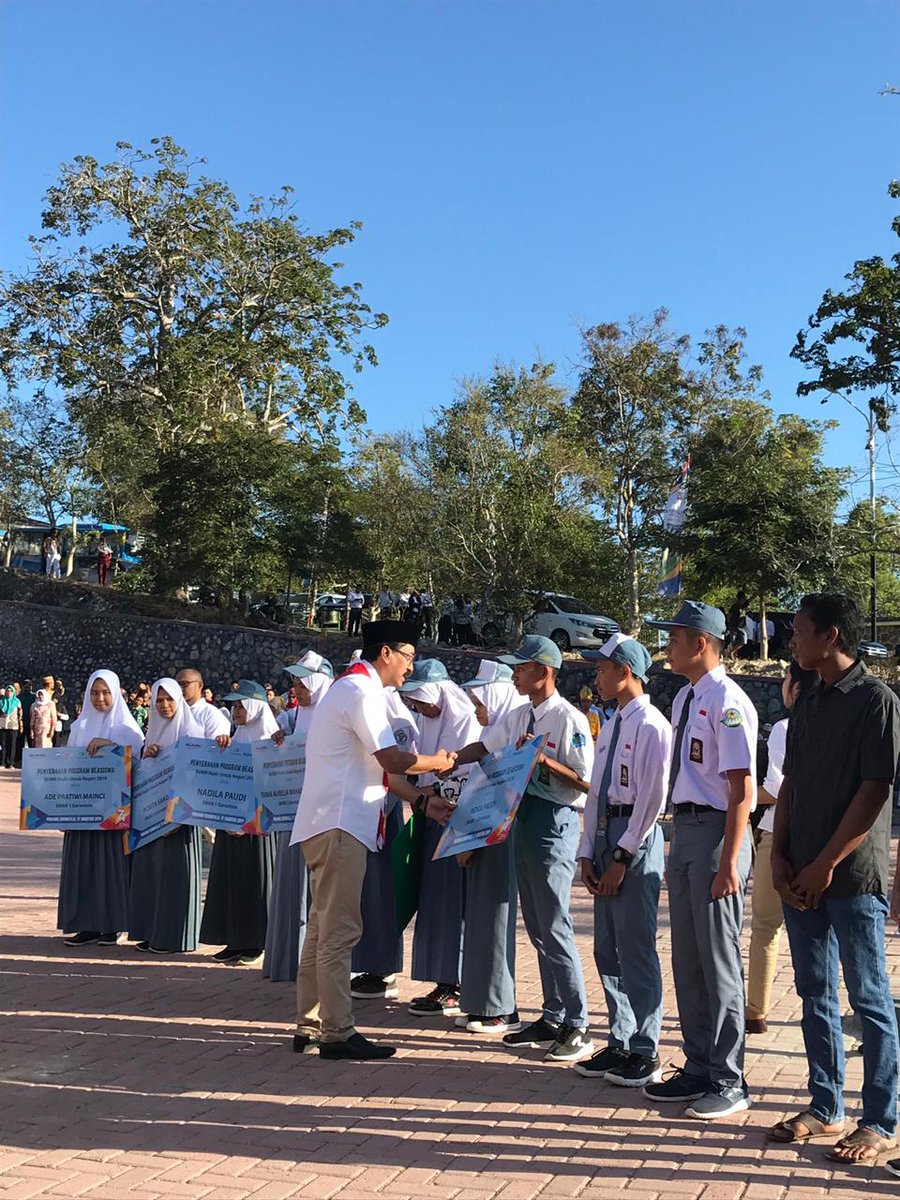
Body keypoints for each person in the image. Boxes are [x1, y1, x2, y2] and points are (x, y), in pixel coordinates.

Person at [768, 594, 900, 1165]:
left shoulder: (876, 701)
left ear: (832, 637)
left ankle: (881, 1121)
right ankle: (826, 1106)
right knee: (814, 991)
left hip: (850, 877)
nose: (791, 640)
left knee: (869, 998)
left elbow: (874, 791)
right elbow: (791, 783)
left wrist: (824, 864)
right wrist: (779, 856)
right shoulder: (810, 700)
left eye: (800, 631)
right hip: (800, 873)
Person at [291, 619, 458, 1061]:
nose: (409, 668)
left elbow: (377, 769)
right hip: (340, 826)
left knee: (322, 930)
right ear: (386, 653)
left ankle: (310, 1024)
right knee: (339, 932)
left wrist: (421, 802)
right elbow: (394, 760)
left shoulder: (349, 690)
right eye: (408, 657)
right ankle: (337, 1032)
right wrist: (439, 762)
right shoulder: (360, 693)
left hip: (328, 824)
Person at [452, 635, 595, 1063]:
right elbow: (485, 747)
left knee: (555, 924)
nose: (514, 675)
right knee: (536, 925)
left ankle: (578, 1023)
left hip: (554, 821)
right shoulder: (518, 714)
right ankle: (552, 1015)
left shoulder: (569, 719)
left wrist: (543, 761)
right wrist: (449, 760)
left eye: (521, 668)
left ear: (544, 672)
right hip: (523, 818)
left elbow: (586, 782)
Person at [642, 600, 757, 1120]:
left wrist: (731, 860)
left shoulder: (728, 701)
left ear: (701, 643)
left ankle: (729, 1079)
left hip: (716, 833)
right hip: (685, 829)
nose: (668, 647)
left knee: (718, 961)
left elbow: (741, 790)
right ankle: (698, 1065)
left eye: (675, 638)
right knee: (687, 957)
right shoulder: (688, 696)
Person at [575, 634, 671, 1088]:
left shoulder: (651, 724)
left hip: (634, 835)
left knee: (635, 946)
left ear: (625, 672)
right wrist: (586, 851)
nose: (596, 677)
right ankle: (620, 1037)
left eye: (601, 669)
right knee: (606, 946)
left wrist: (621, 855)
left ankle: (646, 1048)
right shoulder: (612, 722)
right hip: (604, 832)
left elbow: (652, 798)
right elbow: (596, 791)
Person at [399, 659, 482, 1018]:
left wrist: (435, 788)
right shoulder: (427, 720)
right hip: (432, 818)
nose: (417, 705)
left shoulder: (465, 719)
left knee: (454, 903)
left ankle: (458, 983)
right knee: (435, 902)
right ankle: (443, 980)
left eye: (421, 698)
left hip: (457, 821)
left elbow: (468, 772)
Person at [454, 659, 529, 1033]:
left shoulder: (516, 724)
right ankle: (480, 1002)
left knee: (496, 918)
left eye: (479, 703)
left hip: (502, 830)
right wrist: (450, 760)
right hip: (484, 830)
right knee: (481, 918)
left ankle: (501, 1006)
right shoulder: (502, 729)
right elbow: (480, 754)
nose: (476, 711)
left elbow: (502, 787)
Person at [745, 661, 815, 1035]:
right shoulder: (834, 727)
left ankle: (756, 1010)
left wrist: (740, 797)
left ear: (797, 688)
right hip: (820, 839)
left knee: (765, 925)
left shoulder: (785, 729)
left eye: (786, 680)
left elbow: (774, 789)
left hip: (778, 833)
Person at [58, 670, 145, 946]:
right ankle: (86, 925)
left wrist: (112, 748)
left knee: (110, 868)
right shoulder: (79, 728)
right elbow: (66, 769)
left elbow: (139, 768)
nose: (100, 698)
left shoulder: (128, 730)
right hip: (82, 813)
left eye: (106, 692)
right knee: (83, 867)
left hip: (112, 816)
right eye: (94, 693)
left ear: (116, 694)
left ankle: (111, 925)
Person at [264, 651, 333, 983]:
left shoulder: (331, 715)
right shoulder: (296, 716)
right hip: (293, 811)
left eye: (303, 685)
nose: (297, 691)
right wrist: (281, 739)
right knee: (292, 885)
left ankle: (312, 962)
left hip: (322, 815)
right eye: (295, 684)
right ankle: (287, 958)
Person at [199, 680, 278, 965]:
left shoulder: (271, 740)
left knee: (255, 881)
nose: (236, 712)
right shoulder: (236, 737)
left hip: (257, 828)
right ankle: (234, 940)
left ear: (256, 707)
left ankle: (256, 942)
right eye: (234, 707)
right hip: (231, 822)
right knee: (230, 880)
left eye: (241, 706)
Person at [350, 681, 419, 1001]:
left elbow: (398, 767)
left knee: (381, 893)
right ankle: (365, 964)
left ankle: (383, 968)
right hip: (361, 812)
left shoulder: (397, 720)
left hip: (383, 812)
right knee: (363, 894)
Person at [128, 679, 204, 953]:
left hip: (179, 821)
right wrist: (147, 756)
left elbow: (197, 775)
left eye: (169, 699)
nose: (164, 705)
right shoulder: (153, 731)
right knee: (153, 875)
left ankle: (175, 937)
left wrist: (179, 817)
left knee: (175, 877)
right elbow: (144, 774)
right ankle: (153, 932)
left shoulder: (192, 731)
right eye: (159, 700)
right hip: (153, 819)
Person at [175, 669, 231, 740]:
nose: (180, 688)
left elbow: (214, 745)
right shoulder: (172, 713)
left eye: (184, 683)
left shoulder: (212, 715)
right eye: (177, 685)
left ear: (200, 685)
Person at [0, 685, 23, 768]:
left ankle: (10, 763)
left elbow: (20, 715)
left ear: (13, 692)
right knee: (3, 744)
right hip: (3, 725)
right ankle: (2, 763)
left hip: (13, 725)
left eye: (10, 691)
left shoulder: (17, 702)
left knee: (12, 745)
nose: (9, 692)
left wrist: (21, 726)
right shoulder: (1, 701)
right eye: (7, 691)